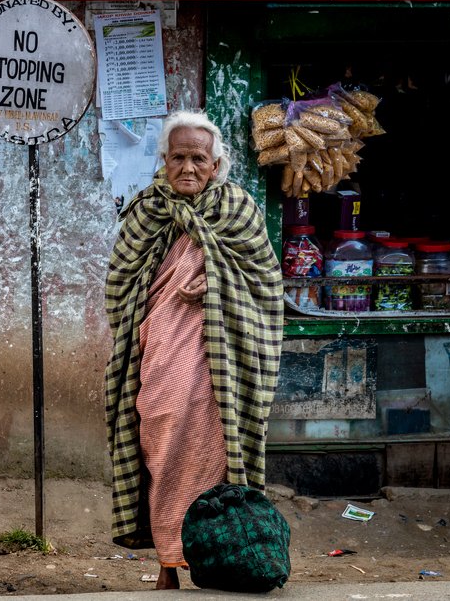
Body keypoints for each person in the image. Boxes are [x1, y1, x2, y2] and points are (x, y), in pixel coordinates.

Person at [103, 110, 284, 589]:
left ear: (216, 163)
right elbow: (120, 284)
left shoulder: (239, 209)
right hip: (160, 356)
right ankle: (168, 560)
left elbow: (265, 284)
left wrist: (217, 283)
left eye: (198, 158)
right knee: (161, 449)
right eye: (178, 157)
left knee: (219, 455)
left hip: (219, 363)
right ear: (164, 161)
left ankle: (218, 557)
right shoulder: (146, 211)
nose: (188, 167)